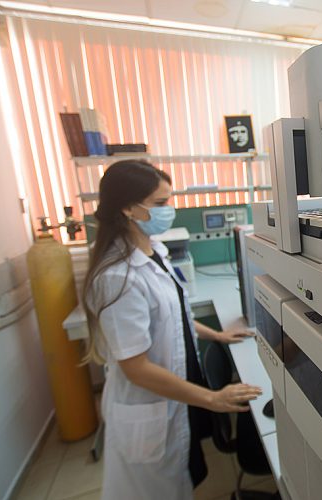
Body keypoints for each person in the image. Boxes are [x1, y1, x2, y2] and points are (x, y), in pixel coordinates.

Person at [82, 160, 261, 500]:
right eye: (160, 203)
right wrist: (213, 398)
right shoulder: (117, 276)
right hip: (148, 405)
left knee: (180, 484)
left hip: (172, 401)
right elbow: (136, 368)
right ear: (127, 208)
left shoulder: (154, 251)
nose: (171, 210)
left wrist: (216, 335)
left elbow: (171, 318)